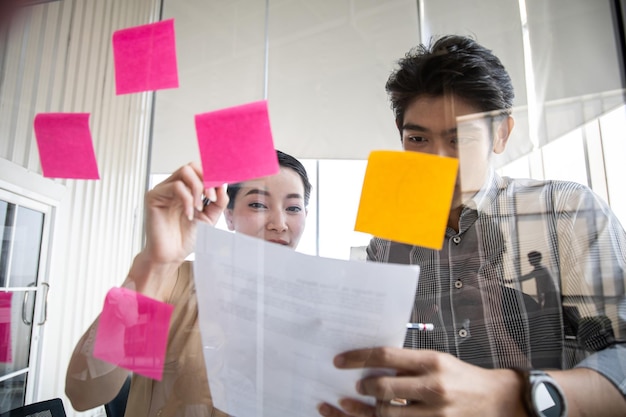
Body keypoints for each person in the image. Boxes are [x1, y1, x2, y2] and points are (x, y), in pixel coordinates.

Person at [318, 35, 626, 417]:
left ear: (501, 134)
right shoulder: (389, 237)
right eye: (418, 138)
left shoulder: (565, 208)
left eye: (459, 138)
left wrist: (514, 396)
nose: (438, 160)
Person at [65, 150, 311, 417]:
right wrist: (156, 262)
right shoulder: (175, 285)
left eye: (293, 208)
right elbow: (85, 392)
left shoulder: (318, 308)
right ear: (228, 215)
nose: (279, 223)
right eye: (258, 205)